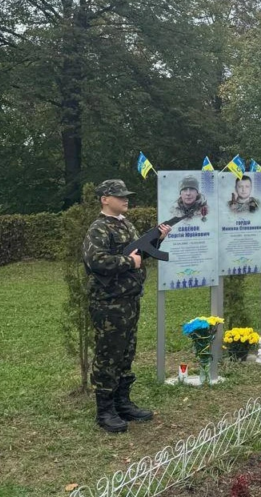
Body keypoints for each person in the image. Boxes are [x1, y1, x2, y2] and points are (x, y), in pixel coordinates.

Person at [83, 180, 172, 434]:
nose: (126, 200)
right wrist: (128, 262)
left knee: (126, 352)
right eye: (120, 196)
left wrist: (158, 241)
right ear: (105, 199)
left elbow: (139, 255)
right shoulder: (99, 228)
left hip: (129, 299)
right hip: (108, 302)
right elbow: (95, 260)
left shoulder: (127, 224)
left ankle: (122, 403)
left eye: (126, 196)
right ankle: (105, 410)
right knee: (108, 354)